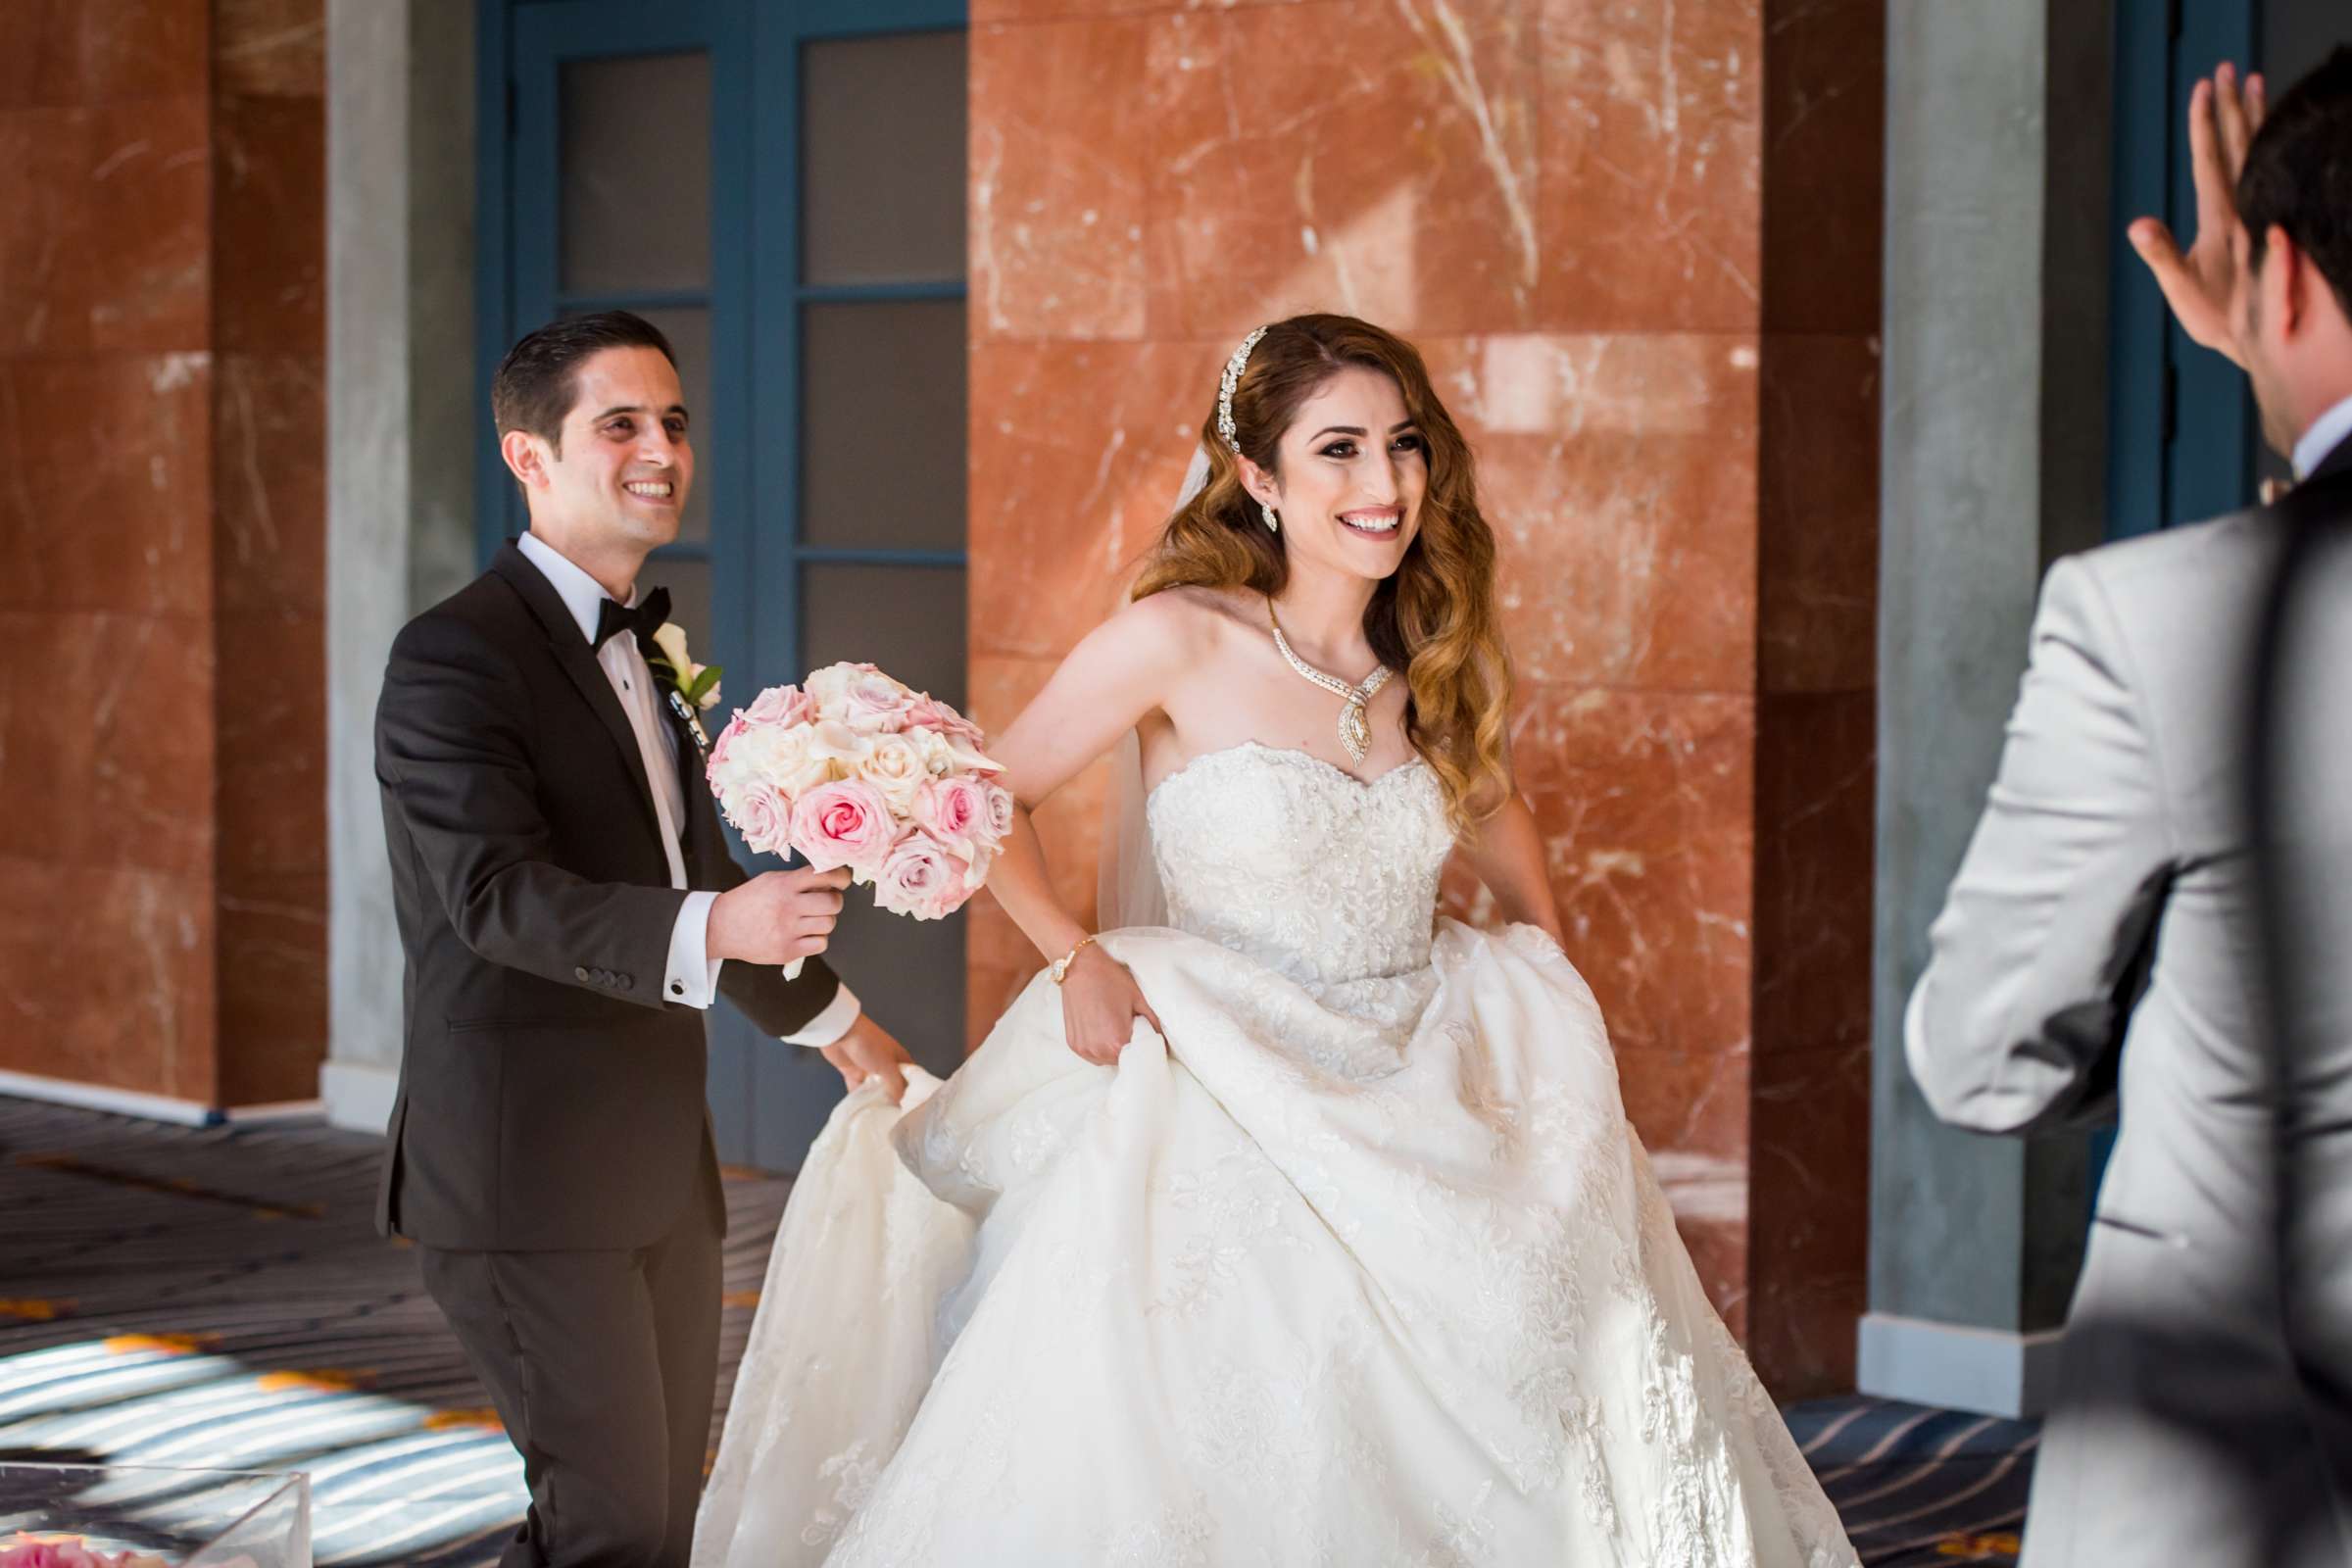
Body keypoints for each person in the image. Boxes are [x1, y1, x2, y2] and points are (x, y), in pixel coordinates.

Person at [694, 314, 1857, 1566]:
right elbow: (984, 794)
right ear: (1260, 477)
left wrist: (1550, 977)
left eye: (1404, 447)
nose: (1384, 484)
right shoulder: (1181, 636)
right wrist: (1074, 954)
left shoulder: (1424, 659)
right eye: (1340, 450)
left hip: (1422, 1059)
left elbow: (1500, 818)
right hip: (1222, 1065)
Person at [373, 311, 915, 1568]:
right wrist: (722, 920)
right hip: (523, 1178)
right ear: (529, 455)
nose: (661, 448)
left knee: (651, 1524)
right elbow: (495, 893)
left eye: (672, 421)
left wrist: (844, 1031)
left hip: (663, 1173)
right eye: (619, 423)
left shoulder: (645, 648)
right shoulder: (453, 656)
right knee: (612, 1526)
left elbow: (697, 873)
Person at [1905, 50, 2352, 1568]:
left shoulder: (2156, 620)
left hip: (2238, 1466)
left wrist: (2180, 1038)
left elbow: (1979, 1053)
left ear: (2278, 275)